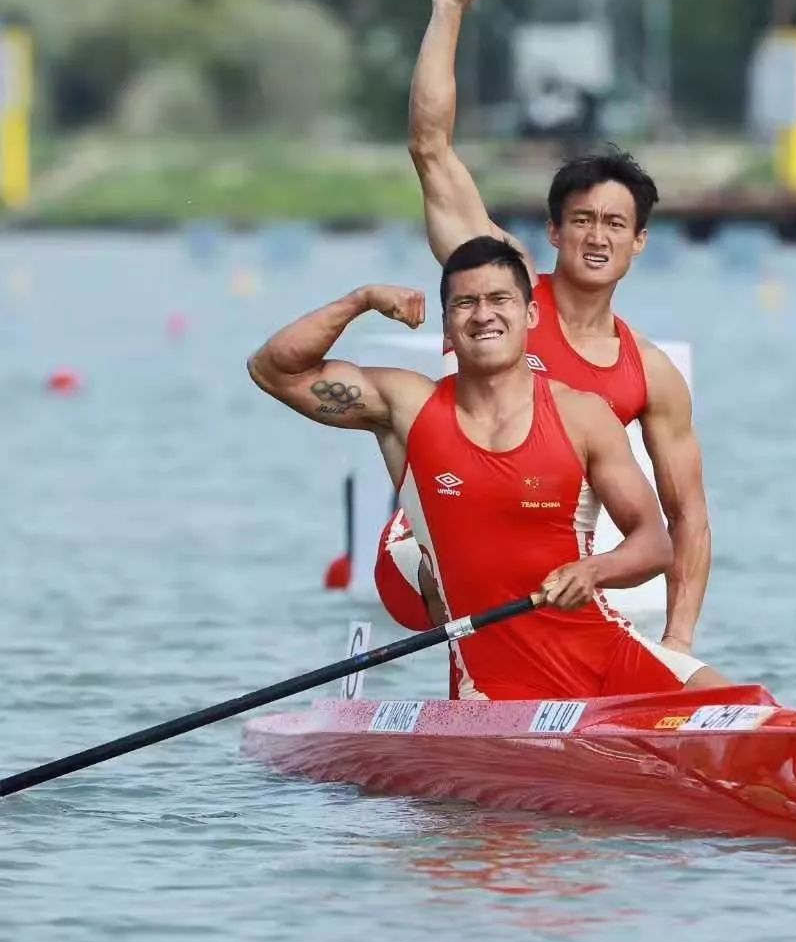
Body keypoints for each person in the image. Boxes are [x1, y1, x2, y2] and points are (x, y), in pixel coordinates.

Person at [376, 0, 711, 662]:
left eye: (615, 225)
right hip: (432, 543)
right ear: (554, 231)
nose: (597, 237)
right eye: (581, 221)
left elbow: (687, 519)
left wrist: (678, 642)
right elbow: (431, 150)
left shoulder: (649, 375)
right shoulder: (500, 288)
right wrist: (448, 12)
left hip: (544, 568)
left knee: (669, 666)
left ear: (639, 243)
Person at [249, 237, 728, 700]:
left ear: (530, 315)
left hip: (603, 652)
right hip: (494, 687)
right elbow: (274, 370)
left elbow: (654, 544)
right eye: (465, 304)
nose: (483, 315)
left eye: (500, 299)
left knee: (748, 707)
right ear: (446, 325)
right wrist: (361, 299)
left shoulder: (583, 415)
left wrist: (594, 570)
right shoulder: (407, 406)